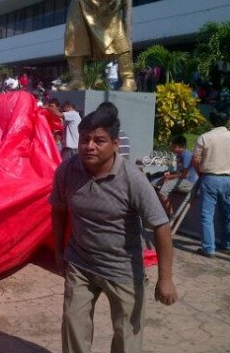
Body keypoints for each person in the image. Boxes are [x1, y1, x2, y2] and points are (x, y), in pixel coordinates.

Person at [50, 109, 177, 353]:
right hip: (80, 264)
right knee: (73, 326)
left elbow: (161, 225)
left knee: (127, 337)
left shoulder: (132, 180)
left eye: (99, 140)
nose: (89, 146)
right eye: (84, 139)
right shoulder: (66, 171)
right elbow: (58, 210)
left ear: (115, 144)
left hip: (122, 269)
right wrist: (58, 252)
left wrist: (166, 278)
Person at [191, 111, 230, 257]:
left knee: (207, 215)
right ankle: (227, 245)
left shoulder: (205, 137)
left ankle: (208, 248)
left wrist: (199, 172)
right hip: (228, 179)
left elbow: (195, 160)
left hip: (210, 178)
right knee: (227, 214)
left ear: (211, 122)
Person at [155, 135, 198, 217]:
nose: (171, 148)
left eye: (173, 146)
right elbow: (179, 171)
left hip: (189, 181)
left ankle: (170, 214)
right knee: (157, 182)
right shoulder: (179, 156)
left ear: (180, 147)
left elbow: (185, 175)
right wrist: (170, 174)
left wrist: (170, 177)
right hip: (182, 179)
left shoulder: (186, 156)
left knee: (163, 191)